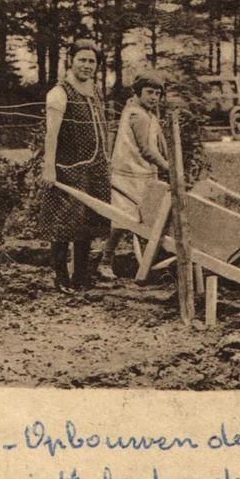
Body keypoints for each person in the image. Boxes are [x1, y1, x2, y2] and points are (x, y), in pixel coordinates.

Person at [37, 39, 111, 291]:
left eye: (92, 61)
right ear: (71, 60)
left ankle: (81, 275)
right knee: (64, 224)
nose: (87, 66)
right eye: (82, 60)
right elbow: (51, 134)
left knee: (88, 222)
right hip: (68, 168)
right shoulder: (59, 93)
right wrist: (49, 166)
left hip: (95, 169)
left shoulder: (96, 90)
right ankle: (61, 277)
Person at [98, 72, 169, 279]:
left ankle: (148, 264)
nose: (154, 97)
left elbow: (161, 145)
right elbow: (147, 150)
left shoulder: (146, 114)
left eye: (158, 93)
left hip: (141, 175)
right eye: (149, 92)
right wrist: (169, 168)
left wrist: (168, 161)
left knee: (149, 221)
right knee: (122, 221)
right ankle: (105, 262)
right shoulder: (138, 115)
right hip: (130, 175)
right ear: (137, 92)